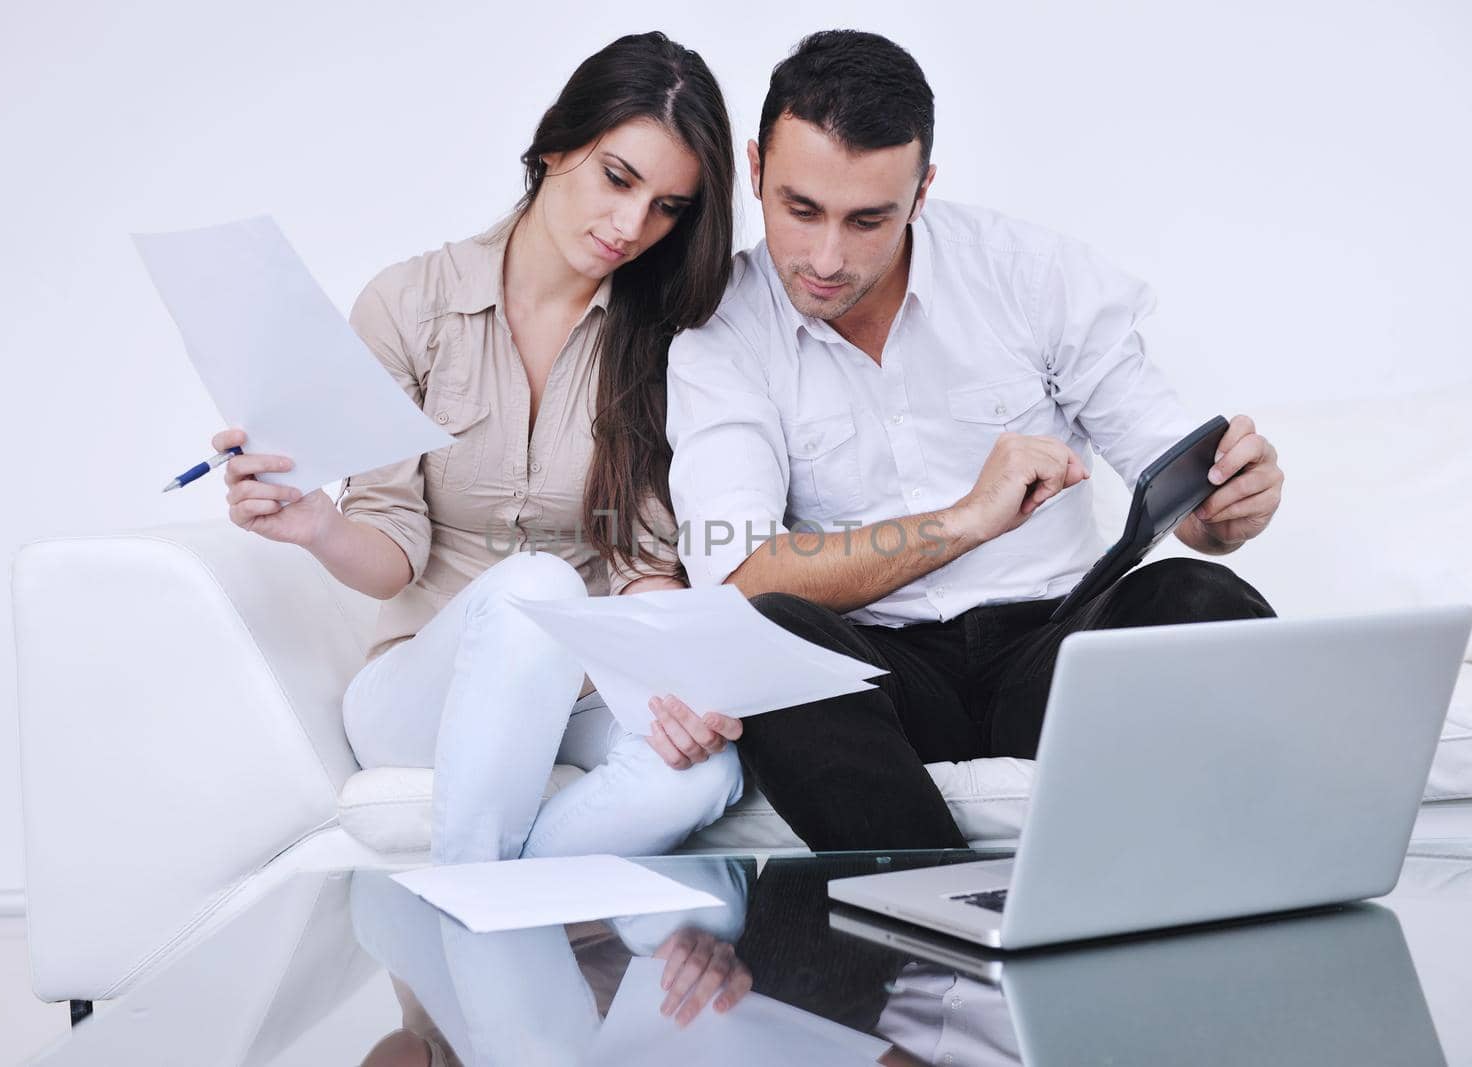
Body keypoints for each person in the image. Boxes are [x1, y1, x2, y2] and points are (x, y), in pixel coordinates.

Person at [665, 30, 1283, 852]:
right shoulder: (722, 331)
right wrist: (962, 521)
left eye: (867, 219)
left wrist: (1226, 507)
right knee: (767, 636)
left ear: (921, 192)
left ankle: (1213, 904)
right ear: (754, 170)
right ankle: (938, 918)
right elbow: (740, 577)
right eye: (800, 209)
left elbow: (1181, 482)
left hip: (1054, 651)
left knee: (1204, 601)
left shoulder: (1032, 274)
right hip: (879, 678)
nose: (824, 257)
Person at [213, 31, 745, 863]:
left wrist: (680, 684)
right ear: (555, 144)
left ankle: (488, 906)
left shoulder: (660, 336)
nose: (632, 225)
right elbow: (392, 550)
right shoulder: (407, 306)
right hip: (424, 688)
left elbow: (645, 563)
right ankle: (494, 900)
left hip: (584, 687)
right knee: (538, 587)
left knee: (703, 776)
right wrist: (318, 524)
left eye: (667, 207)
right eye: (617, 178)